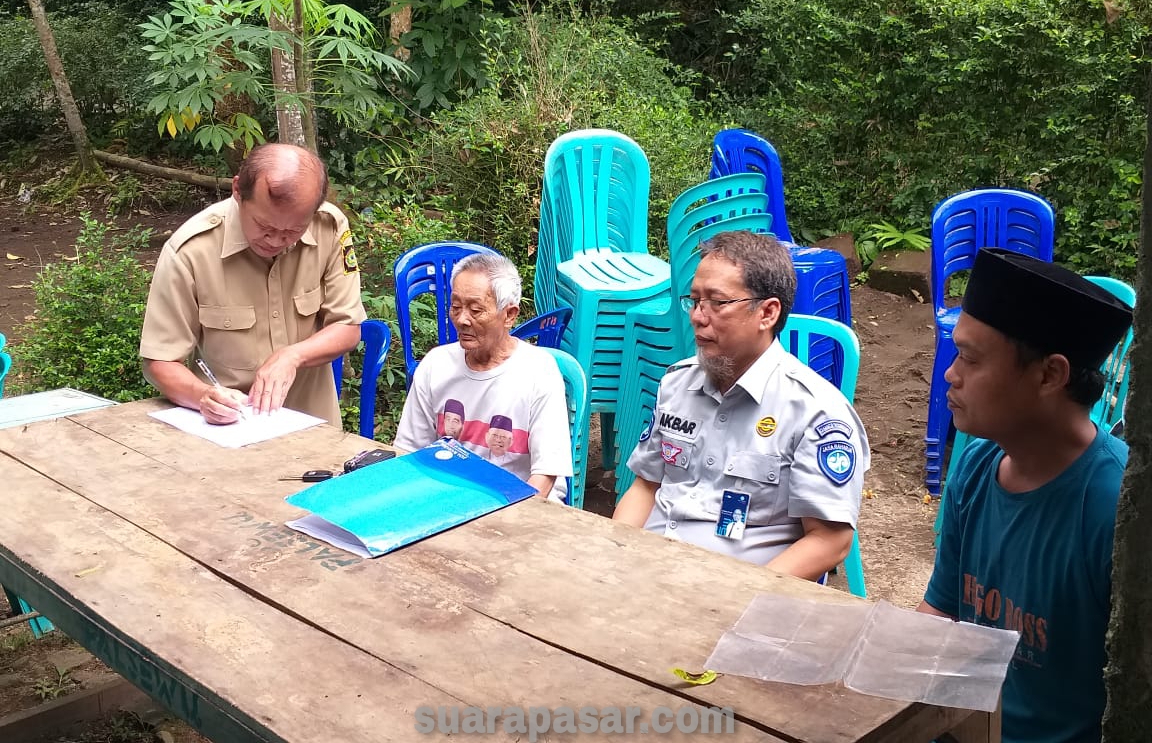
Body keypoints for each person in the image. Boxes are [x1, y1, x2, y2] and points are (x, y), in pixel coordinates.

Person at [918, 248, 1132, 743]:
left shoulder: (1115, 510)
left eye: (970, 358)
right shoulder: (976, 465)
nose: (950, 374)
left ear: (1049, 375)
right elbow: (940, 615)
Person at [612, 230, 869, 579]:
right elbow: (646, 486)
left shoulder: (814, 412)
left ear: (767, 312)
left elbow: (830, 539)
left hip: (734, 593)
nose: (697, 317)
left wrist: (744, 595)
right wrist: (613, 555)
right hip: (645, 572)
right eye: (694, 301)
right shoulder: (677, 383)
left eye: (717, 303)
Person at [140, 143, 366, 427]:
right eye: (264, 226)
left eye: (293, 231)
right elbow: (159, 361)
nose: (275, 240)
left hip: (316, 428)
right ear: (237, 191)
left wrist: (292, 356)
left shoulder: (328, 227)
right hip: (229, 432)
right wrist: (203, 396)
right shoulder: (190, 251)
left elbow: (347, 327)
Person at [393, 253, 572, 501]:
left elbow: (545, 476)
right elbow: (409, 453)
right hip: (447, 499)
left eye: (475, 310)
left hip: (521, 501)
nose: (462, 319)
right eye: (455, 307)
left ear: (509, 315)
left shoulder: (539, 371)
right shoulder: (436, 365)